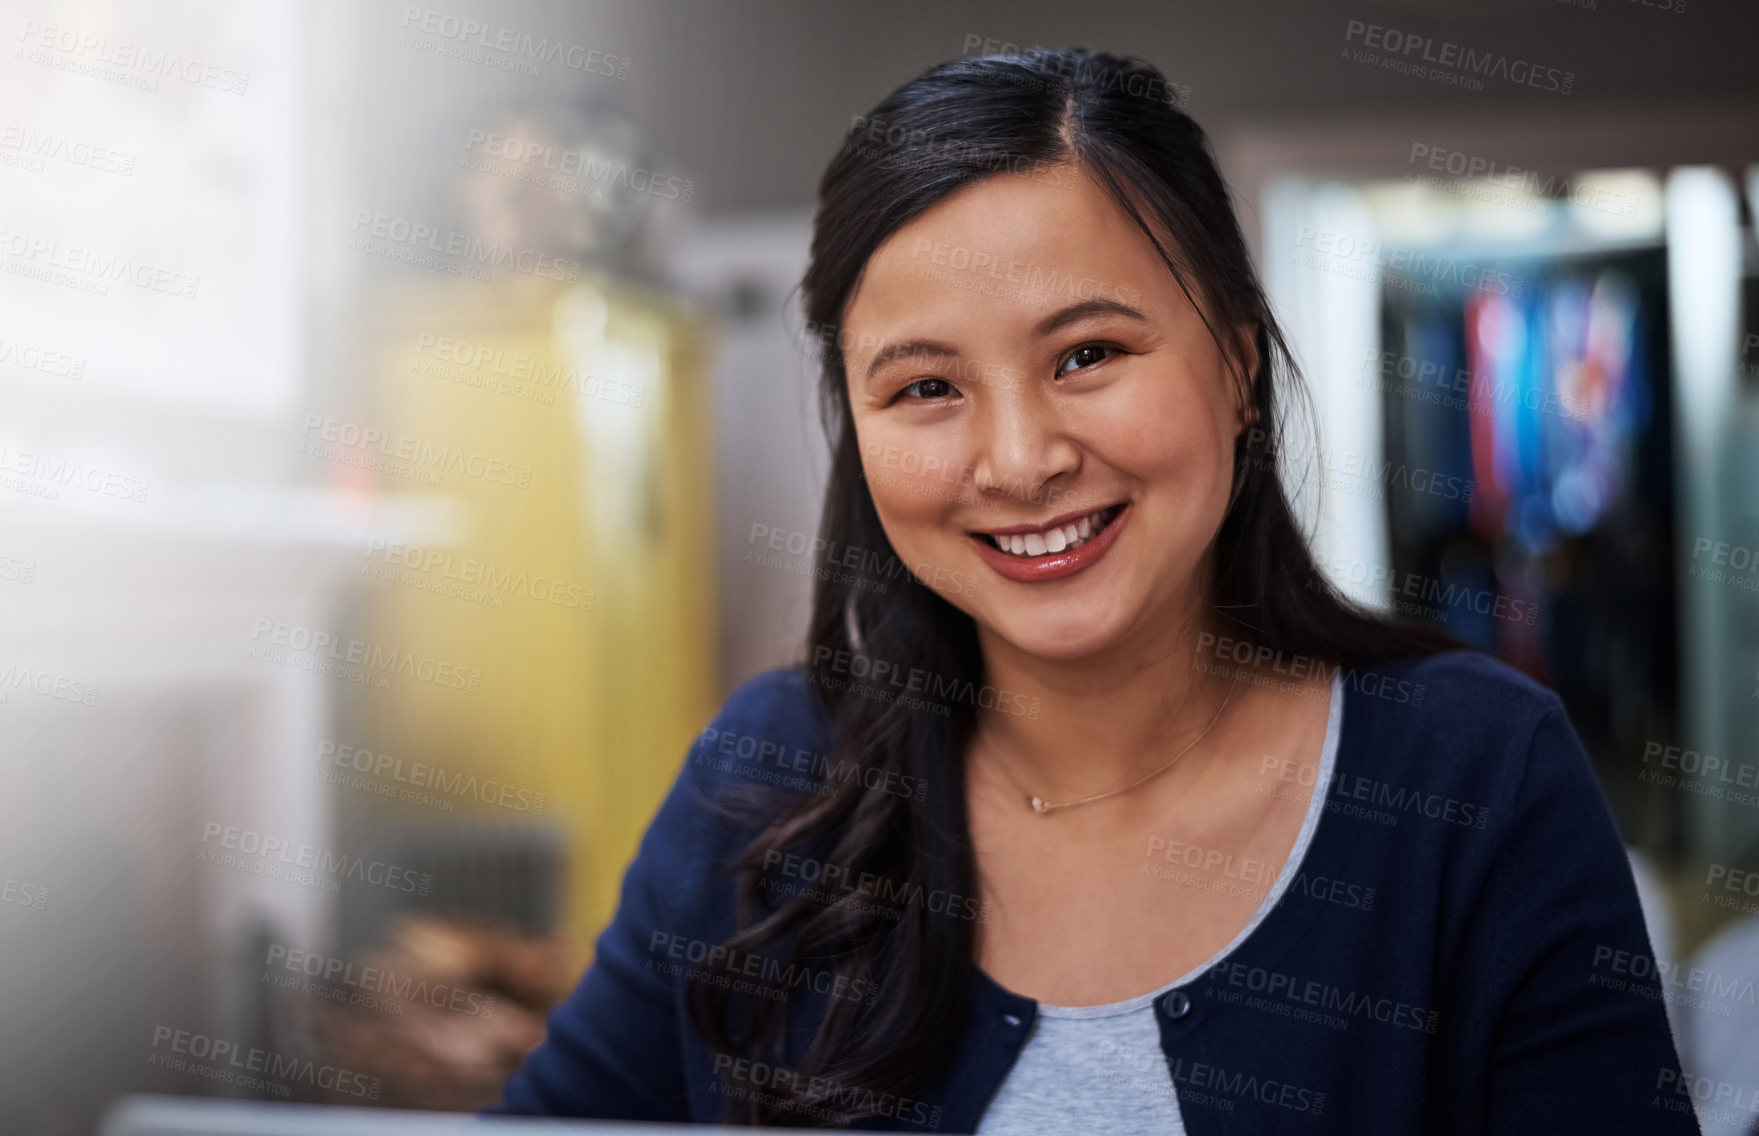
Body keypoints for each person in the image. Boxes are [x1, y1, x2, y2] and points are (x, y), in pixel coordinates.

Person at [490, 47, 1697, 1134]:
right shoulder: (763, 781)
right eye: (923, 387)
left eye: (1087, 354)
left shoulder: (1475, 777)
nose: (1019, 460)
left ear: (1235, 365)